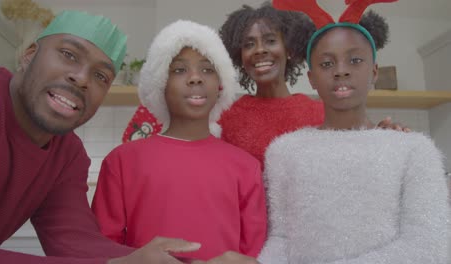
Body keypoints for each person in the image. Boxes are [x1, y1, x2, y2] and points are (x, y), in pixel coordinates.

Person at [0, 10, 200, 264]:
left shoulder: (67, 154)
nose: (82, 78)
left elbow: (77, 242)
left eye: (101, 76)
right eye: (68, 55)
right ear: (29, 55)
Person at [257, 0, 449, 263]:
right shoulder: (283, 151)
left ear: (374, 72)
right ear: (312, 78)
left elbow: (429, 246)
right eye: (326, 64)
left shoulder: (415, 150)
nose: (341, 71)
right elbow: (280, 239)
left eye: (354, 60)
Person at [91, 20, 267, 261]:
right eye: (179, 70)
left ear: (221, 85)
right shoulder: (121, 161)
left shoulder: (246, 167)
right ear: (160, 83)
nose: (195, 78)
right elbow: (103, 247)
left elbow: (253, 253)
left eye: (207, 69)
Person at [217, 2, 409, 167]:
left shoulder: (322, 112)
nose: (259, 50)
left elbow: (357, 154)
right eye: (249, 44)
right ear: (239, 56)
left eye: (270, 41)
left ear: (289, 49)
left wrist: (383, 135)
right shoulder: (224, 119)